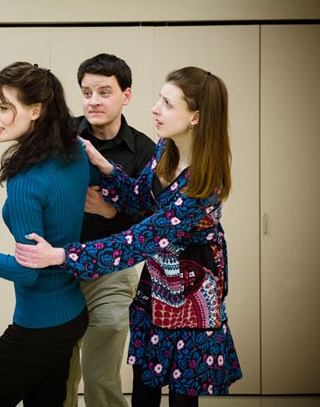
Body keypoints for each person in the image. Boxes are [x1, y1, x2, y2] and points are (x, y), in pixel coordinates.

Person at [15, 67, 242, 407]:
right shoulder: (166, 149)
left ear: (195, 117)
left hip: (192, 298)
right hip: (158, 286)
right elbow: (140, 197)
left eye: (166, 103)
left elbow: (138, 240)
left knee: (182, 394)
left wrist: (62, 255)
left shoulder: (202, 186)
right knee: (145, 386)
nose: (155, 108)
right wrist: (105, 166)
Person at [0, 61, 99, 406]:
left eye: (4, 107)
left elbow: (27, 272)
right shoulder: (75, 152)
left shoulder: (26, 181)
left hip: (40, 323)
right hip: (71, 314)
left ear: (36, 110)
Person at [64, 53, 155, 407]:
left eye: (104, 92)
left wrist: (110, 210)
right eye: (87, 92)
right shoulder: (62, 135)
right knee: (59, 372)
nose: (93, 101)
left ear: (126, 95)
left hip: (112, 273)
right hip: (61, 270)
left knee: (101, 372)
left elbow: (155, 222)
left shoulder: (145, 150)